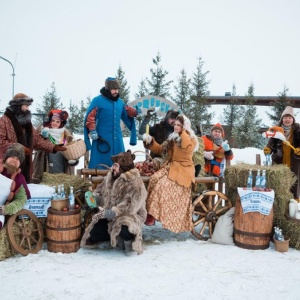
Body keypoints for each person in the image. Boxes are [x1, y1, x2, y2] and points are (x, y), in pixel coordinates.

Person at [81, 150, 147, 256]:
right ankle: (114, 236)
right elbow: (100, 190)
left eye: (116, 166)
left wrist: (111, 212)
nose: (113, 168)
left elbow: (130, 206)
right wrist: (95, 198)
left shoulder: (135, 183)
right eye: (114, 165)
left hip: (129, 216)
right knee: (94, 233)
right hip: (108, 216)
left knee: (126, 227)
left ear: (123, 169)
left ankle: (129, 243)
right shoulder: (111, 176)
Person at [142, 114, 198, 232]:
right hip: (171, 166)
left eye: (179, 125)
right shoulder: (172, 138)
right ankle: (150, 212)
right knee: (153, 179)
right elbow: (161, 150)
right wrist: (151, 141)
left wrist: (182, 132)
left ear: (185, 126)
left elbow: (186, 146)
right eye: (175, 124)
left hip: (183, 169)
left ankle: (153, 214)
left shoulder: (190, 139)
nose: (176, 127)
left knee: (162, 185)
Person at [0, 93, 67, 183]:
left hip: (25, 168)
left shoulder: (28, 124)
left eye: (28, 106)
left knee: (23, 192)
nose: (28, 109)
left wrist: (53, 147)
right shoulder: (4, 121)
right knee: (8, 192)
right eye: (26, 106)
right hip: (7, 167)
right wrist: (20, 148)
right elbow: (1, 141)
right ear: (17, 106)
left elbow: (37, 140)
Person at [84, 77, 139, 169]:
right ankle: (97, 182)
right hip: (101, 139)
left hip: (117, 140)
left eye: (117, 89)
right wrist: (92, 130)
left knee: (120, 166)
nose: (116, 91)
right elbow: (90, 117)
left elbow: (127, 113)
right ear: (108, 89)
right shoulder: (97, 100)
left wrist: (135, 112)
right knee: (99, 166)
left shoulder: (120, 103)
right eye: (113, 89)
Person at [139, 109, 203, 176]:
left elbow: (188, 145)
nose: (174, 121)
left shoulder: (183, 134)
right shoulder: (159, 128)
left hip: (176, 164)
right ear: (167, 118)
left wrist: (186, 132)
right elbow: (142, 131)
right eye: (172, 118)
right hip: (159, 159)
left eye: (176, 120)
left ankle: (191, 170)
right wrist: (150, 141)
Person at [32, 109, 78, 183]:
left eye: (58, 122)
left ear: (61, 123)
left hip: (62, 166)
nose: (55, 123)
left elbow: (72, 151)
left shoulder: (67, 134)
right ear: (50, 121)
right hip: (45, 166)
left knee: (61, 186)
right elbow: (35, 146)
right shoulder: (43, 131)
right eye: (53, 121)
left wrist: (73, 160)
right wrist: (43, 137)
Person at [264, 106, 300, 198]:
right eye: (285, 117)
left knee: (294, 181)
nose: (287, 119)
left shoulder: (298, 130)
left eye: (289, 117)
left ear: (293, 119)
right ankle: (277, 201)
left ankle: (293, 202)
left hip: (294, 161)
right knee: (278, 181)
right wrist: (268, 149)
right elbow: (271, 144)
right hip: (279, 159)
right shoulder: (277, 131)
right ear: (282, 119)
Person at [0, 143, 31, 229]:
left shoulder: (19, 179)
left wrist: (6, 209)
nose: (14, 160)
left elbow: (21, 200)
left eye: (18, 159)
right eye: (12, 157)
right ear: (6, 158)